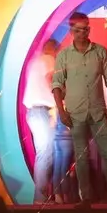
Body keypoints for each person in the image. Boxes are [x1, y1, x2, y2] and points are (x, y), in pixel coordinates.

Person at [52, 10, 107, 207]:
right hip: (75, 113)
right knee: (80, 158)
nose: (84, 33)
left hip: (99, 112)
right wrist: (61, 111)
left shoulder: (100, 51)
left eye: (87, 29)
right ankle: (86, 198)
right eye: (80, 30)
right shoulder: (63, 56)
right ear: (71, 30)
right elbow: (56, 85)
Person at [25, 37, 73, 203]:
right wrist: (64, 97)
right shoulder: (49, 60)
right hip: (42, 112)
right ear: (55, 50)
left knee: (45, 153)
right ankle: (40, 197)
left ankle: (42, 195)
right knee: (46, 154)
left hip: (35, 112)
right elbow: (52, 81)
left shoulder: (35, 62)